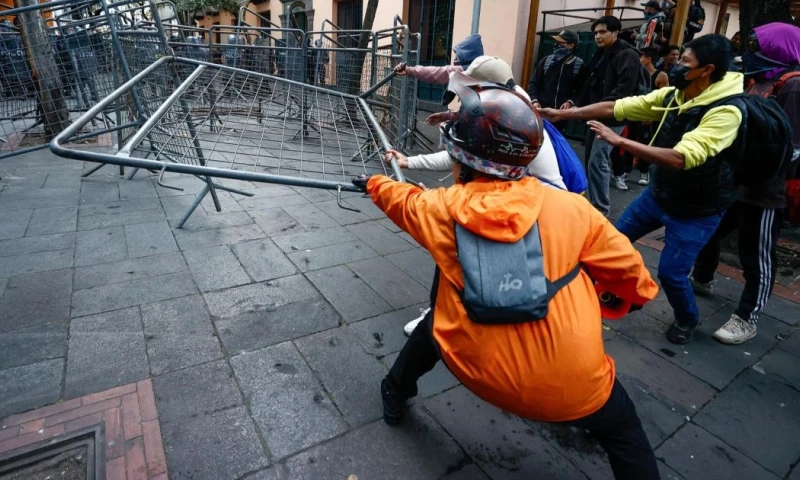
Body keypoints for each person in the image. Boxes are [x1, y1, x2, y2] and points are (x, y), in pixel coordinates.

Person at [354, 72, 661, 480]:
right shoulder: (575, 210)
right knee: (627, 435)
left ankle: (395, 389)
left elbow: (401, 198)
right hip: (576, 391)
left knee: (441, 312)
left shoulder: (438, 208)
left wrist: (374, 183)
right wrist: (607, 297)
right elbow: (637, 282)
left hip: (470, 366)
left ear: (460, 157)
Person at [540, 34, 743, 344]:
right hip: (659, 194)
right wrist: (564, 114)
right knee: (611, 242)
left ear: (707, 69)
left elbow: (681, 157)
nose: (676, 67)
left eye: (685, 63)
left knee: (672, 274)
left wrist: (620, 141)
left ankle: (687, 318)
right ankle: (585, 294)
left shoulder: (726, 111)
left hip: (696, 209)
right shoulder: (677, 95)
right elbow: (620, 107)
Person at [385, 55, 570, 337]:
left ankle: (444, 320)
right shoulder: (496, 109)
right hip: (501, 206)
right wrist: (412, 162)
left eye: (473, 87)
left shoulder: (514, 120)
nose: (469, 94)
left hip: (527, 213)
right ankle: (441, 317)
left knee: (469, 260)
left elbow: (554, 188)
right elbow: (465, 154)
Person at [690, 23, 800, 344]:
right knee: (709, 231)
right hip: (736, 182)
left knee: (757, 255)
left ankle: (746, 318)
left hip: (766, 189)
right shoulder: (757, 81)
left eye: (757, 46)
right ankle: (703, 278)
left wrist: (755, 169)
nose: (750, 52)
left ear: (779, 48)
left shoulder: (792, 87)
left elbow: (791, 147)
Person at [580, 16, 642, 217]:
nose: (598, 36)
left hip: (612, 115)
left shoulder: (626, 54)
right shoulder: (602, 53)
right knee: (592, 159)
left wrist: (601, 107)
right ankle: (593, 204)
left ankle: (600, 209)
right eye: (596, 32)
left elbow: (624, 88)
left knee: (598, 160)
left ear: (615, 33)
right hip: (597, 113)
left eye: (603, 32)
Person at [527, 30, 585, 119]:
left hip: (562, 114)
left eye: (561, 42)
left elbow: (582, 90)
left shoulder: (578, 65)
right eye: (556, 42)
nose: (556, 44)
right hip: (542, 111)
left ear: (571, 45)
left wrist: (570, 102)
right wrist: (534, 100)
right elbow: (533, 83)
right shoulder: (546, 61)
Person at [393, 33, 483, 84]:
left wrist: (410, 70)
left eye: (459, 56)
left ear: (468, 55)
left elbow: (436, 73)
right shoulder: (482, 70)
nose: (455, 61)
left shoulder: (468, 70)